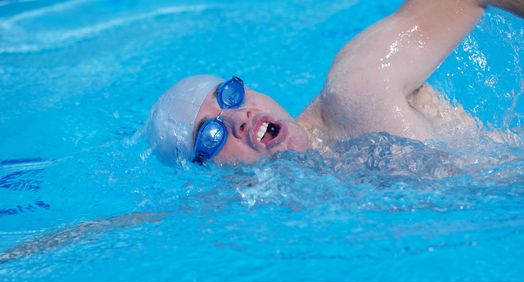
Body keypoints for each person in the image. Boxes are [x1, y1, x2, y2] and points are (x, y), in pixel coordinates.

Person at [146, 0, 524, 165]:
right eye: (210, 136)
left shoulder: (358, 90)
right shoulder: (278, 206)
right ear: (205, 171)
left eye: (229, 96)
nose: (237, 118)